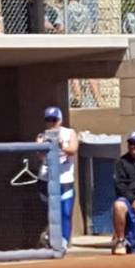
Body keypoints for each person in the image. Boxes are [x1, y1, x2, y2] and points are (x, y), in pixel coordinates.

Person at [36, 106, 78, 249]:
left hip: (65, 179)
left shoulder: (69, 133)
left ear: (60, 120)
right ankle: (50, 239)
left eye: (54, 120)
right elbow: (40, 155)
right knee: (50, 212)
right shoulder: (42, 135)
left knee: (65, 212)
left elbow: (73, 150)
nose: (51, 123)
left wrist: (61, 144)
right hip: (46, 179)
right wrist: (43, 144)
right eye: (48, 120)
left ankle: (64, 242)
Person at [65, 0, 104, 107]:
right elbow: (90, 27)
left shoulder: (67, 9)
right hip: (85, 42)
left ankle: (78, 97)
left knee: (73, 73)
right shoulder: (85, 9)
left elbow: (63, 27)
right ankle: (99, 99)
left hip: (72, 43)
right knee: (89, 73)